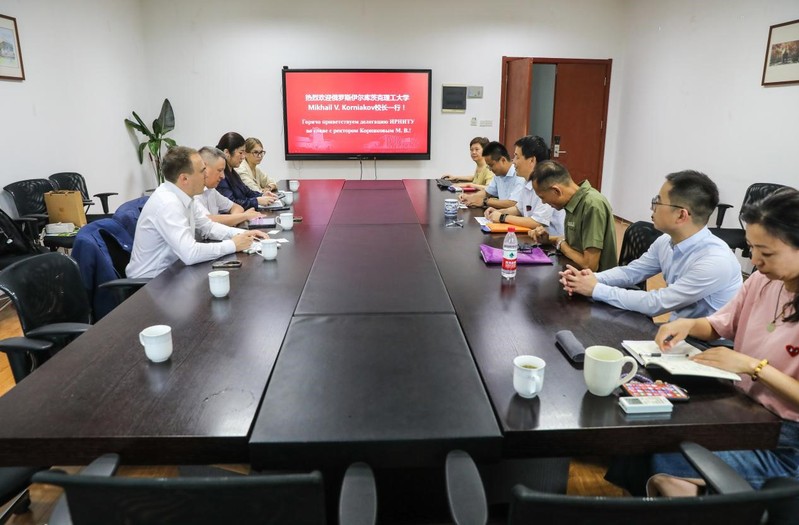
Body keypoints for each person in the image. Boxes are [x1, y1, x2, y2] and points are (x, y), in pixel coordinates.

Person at [609, 187, 799, 497]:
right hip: (742, 412)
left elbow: (753, 367)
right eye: (751, 248)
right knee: (644, 434)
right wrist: (688, 325)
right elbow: (720, 324)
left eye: (767, 253)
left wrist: (753, 366)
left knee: (665, 459)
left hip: (785, 441)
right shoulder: (762, 281)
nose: (755, 260)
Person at [559, 170, 742, 320]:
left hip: (707, 345)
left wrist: (596, 289)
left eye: (657, 202)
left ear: (681, 215)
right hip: (676, 332)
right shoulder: (666, 241)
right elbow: (631, 272)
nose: (651, 208)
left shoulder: (715, 261)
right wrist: (590, 278)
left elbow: (656, 303)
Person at [126, 146, 267, 279]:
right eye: (202, 170)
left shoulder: (185, 196)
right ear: (184, 178)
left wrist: (243, 234)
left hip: (174, 273)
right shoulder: (168, 203)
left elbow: (208, 227)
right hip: (150, 284)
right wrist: (233, 245)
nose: (206, 175)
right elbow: (190, 253)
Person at [527, 160, 617, 272]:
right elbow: (573, 243)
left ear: (556, 191)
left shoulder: (592, 205)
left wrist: (561, 245)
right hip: (576, 271)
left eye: (542, 197)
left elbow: (590, 265)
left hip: (596, 279)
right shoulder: (572, 202)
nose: (543, 202)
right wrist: (548, 240)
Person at [484, 135, 565, 236]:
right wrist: (499, 212)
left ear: (532, 161)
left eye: (517, 157)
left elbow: (537, 222)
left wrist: (502, 217)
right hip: (533, 237)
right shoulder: (527, 181)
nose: (513, 161)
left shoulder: (546, 183)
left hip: (551, 242)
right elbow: (519, 209)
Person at [197, 146, 264, 228]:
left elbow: (237, 207)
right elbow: (207, 220)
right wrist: (243, 216)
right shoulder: (194, 193)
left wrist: (234, 219)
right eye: (219, 170)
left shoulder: (211, 190)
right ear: (204, 168)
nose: (223, 176)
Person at [215, 132, 275, 210]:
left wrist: (262, 195)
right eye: (240, 153)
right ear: (227, 152)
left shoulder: (232, 172)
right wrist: (257, 201)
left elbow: (247, 192)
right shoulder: (221, 176)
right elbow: (231, 203)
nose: (243, 157)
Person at [458, 141, 525, 210]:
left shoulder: (519, 175)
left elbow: (513, 203)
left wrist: (485, 201)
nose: (490, 169)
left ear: (503, 160)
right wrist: (471, 197)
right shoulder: (498, 175)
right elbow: (487, 192)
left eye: (491, 165)